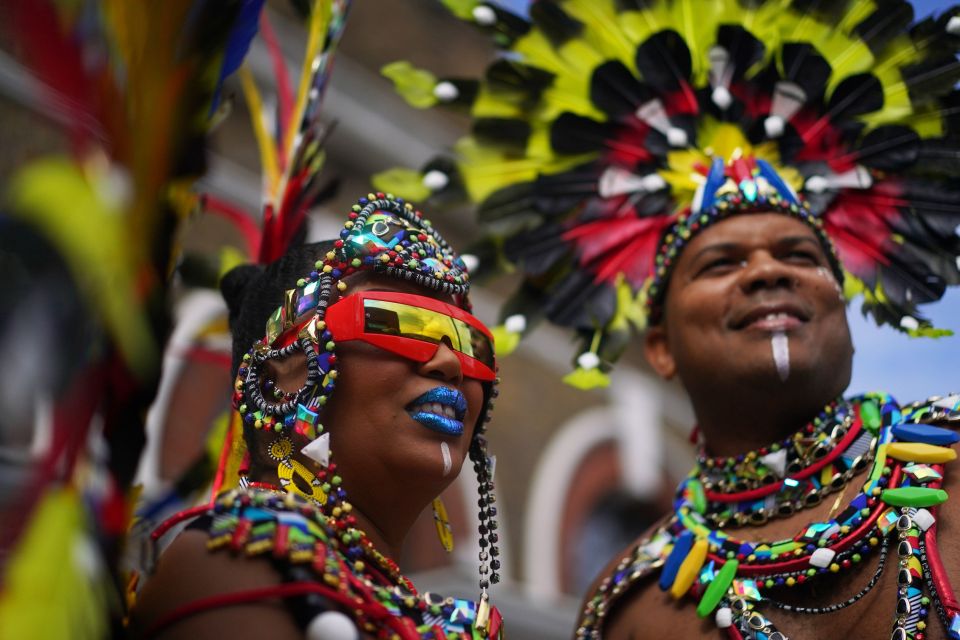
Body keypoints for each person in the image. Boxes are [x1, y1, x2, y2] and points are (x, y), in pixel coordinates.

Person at [375, 0, 960, 637]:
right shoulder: (633, 605)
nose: (768, 272)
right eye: (720, 263)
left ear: (841, 312)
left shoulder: (950, 462)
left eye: (800, 255)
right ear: (660, 347)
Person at [129, 195, 504, 639]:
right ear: (278, 375)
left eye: (469, 344)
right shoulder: (235, 561)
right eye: (396, 322)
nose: (450, 363)